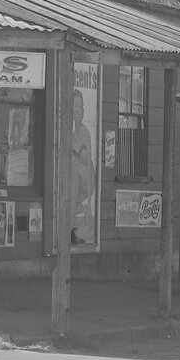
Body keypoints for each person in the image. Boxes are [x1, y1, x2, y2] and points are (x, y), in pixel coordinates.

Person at [70, 88, 96, 244]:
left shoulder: (85, 133)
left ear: (84, 109)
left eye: (80, 106)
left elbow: (88, 162)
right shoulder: (69, 134)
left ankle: (71, 218)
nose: (77, 110)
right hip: (75, 185)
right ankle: (73, 214)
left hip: (88, 181)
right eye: (74, 106)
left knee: (74, 166)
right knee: (72, 169)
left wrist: (91, 205)